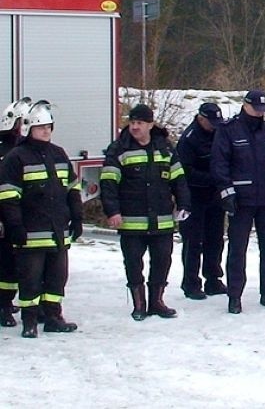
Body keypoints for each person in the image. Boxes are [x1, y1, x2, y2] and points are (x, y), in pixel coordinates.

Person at [100, 103, 191, 321]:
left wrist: (184, 204)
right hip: (131, 222)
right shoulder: (119, 149)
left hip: (162, 221)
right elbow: (108, 184)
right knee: (133, 263)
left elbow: (179, 180)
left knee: (162, 261)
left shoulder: (166, 149)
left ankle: (157, 301)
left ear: (150, 124)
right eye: (132, 122)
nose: (134, 127)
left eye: (139, 123)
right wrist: (112, 212)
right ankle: (139, 304)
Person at [0, 100, 83, 338]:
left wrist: (77, 218)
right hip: (31, 233)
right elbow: (8, 196)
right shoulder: (17, 157)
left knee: (57, 279)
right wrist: (15, 226)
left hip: (57, 231)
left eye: (49, 126)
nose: (46, 131)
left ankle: (54, 316)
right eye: (41, 127)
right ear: (29, 129)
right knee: (30, 280)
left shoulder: (58, 154)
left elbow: (72, 189)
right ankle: (29, 321)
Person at [211, 89, 265, 314]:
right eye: (256, 110)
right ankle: (235, 296)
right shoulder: (228, 130)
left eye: (263, 111)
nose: (260, 115)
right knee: (237, 250)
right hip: (241, 200)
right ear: (245, 106)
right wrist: (227, 193)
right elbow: (220, 164)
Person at [176, 102, 227, 300]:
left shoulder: (219, 133)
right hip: (194, 197)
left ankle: (213, 279)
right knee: (193, 241)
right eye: (210, 122)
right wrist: (212, 178)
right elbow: (185, 172)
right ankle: (191, 283)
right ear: (200, 118)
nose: (214, 126)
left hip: (215, 196)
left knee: (215, 240)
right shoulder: (189, 139)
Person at [0, 97, 31, 327]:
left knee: (14, 265)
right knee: (6, 265)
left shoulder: (24, 148)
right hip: (5, 217)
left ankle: (7, 303)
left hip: (19, 216)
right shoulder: (8, 150)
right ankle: (3, 306)